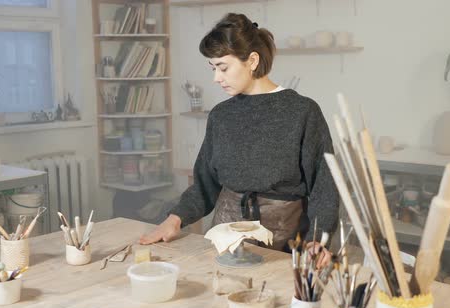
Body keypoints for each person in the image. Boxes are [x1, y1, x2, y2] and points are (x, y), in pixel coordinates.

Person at [140, 13, 339, 254]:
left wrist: (317, 239)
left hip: (284, 243)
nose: (216, 78)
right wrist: (174, 220)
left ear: (252, 61)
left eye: (223, 68)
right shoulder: (221, 115)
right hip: (225, 239)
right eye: (213, 68)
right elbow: (205, 184)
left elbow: (324, 185)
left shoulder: (302, 112)